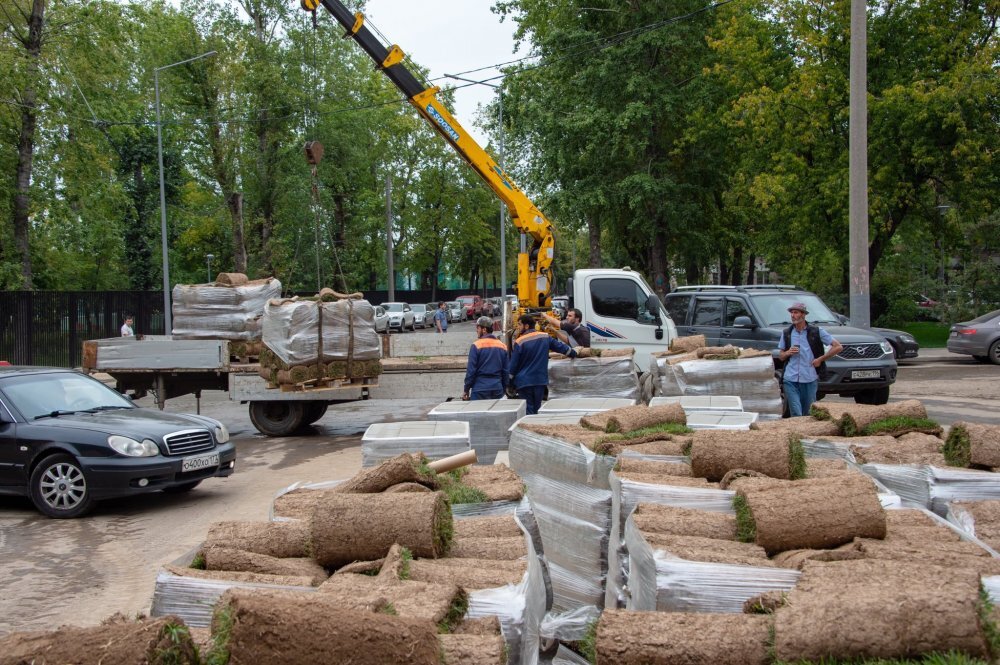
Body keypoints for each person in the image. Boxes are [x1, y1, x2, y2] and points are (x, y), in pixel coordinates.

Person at [777, 302, 843, 417]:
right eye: (791, 313)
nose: (792, 315)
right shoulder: (787, 332)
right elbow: (781, 356)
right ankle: (797, 428)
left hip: (809, 377)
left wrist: (820, 359)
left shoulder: (816, 331)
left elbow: (838, 347)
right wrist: (788, 352)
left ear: (803, 315)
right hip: (790, 378)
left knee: (808, 413)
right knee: (796, 412)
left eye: (796, 312)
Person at [509, 314, 578, 415]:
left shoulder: (520, 342)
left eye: (519, 324)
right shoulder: (545, 337)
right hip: (540, 381)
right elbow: (562, 348)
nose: (518, 327)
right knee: (537, 409)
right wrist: (574, 353)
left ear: (526, 326)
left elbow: (513, 366)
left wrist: (509, 383)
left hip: (524, 383)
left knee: (528, 410)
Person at [462, 317, 509, 401]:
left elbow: (471, 371)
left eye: (478, 328)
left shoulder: (476, 345)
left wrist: (466, 389)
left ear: (484, 330)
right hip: (497, 388)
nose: (476, 330)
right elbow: (505, 371)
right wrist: (503, 388)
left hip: (480, 389)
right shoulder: (502, 346)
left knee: (477, 410)